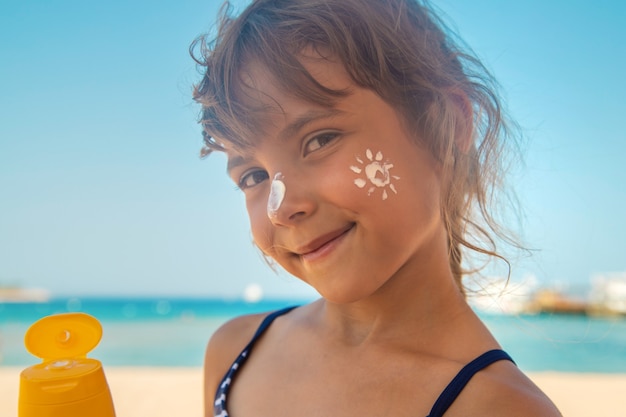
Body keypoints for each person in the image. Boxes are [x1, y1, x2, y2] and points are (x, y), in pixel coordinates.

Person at [191, 0, 562, 416]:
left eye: (319, 140)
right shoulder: (233, 353)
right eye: (253, 177)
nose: (281, 208)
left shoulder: (498, 408)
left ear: (449, 125)